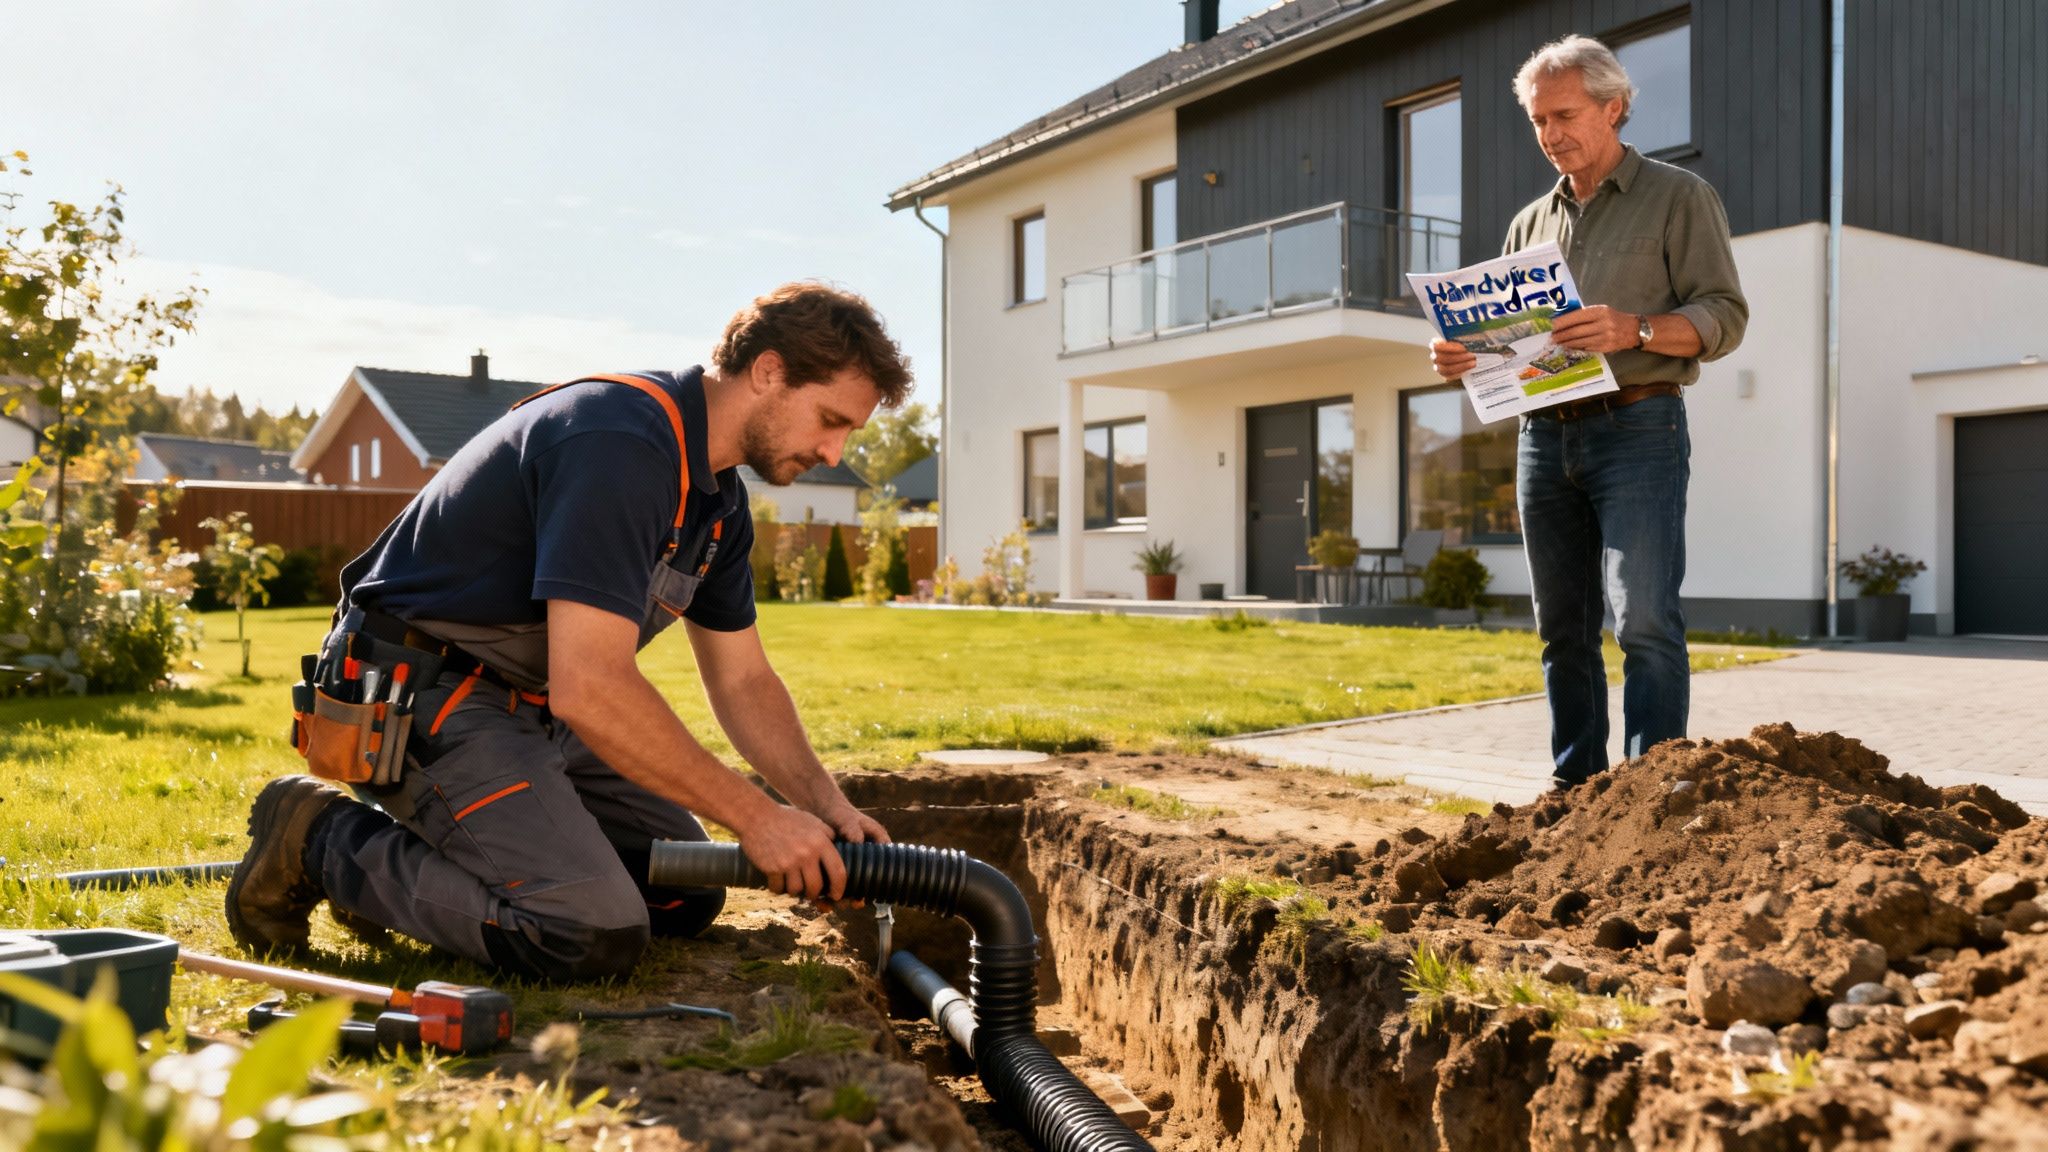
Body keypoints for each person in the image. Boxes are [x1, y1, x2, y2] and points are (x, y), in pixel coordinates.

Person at [227, 281, 911, 980]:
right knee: (586, 931)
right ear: (769, 371)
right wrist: (757, 819)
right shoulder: (618, 441)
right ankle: (315, 835)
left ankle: (426, 873)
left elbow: (743, 679)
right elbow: (593, 688)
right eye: (831, 419)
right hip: (418, 688)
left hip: (526, 700)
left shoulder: (719, 503)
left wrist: (826, 809)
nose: (834, 452)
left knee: (682, 891)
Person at [1429, 35, 1747, 787]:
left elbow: (1725, 316)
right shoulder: (1526, 226)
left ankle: (1649, 793)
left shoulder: (1679, 197)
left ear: (1615, 107)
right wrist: (1460, 361)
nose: (1550, 135)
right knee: (1560, 630)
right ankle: (1574, 790)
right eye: (1538, 121)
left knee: (1642, 620)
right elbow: (1509, 352)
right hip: (1543, 440)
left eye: (1564, 115)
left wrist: (1633, 327)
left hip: (1639, 427)